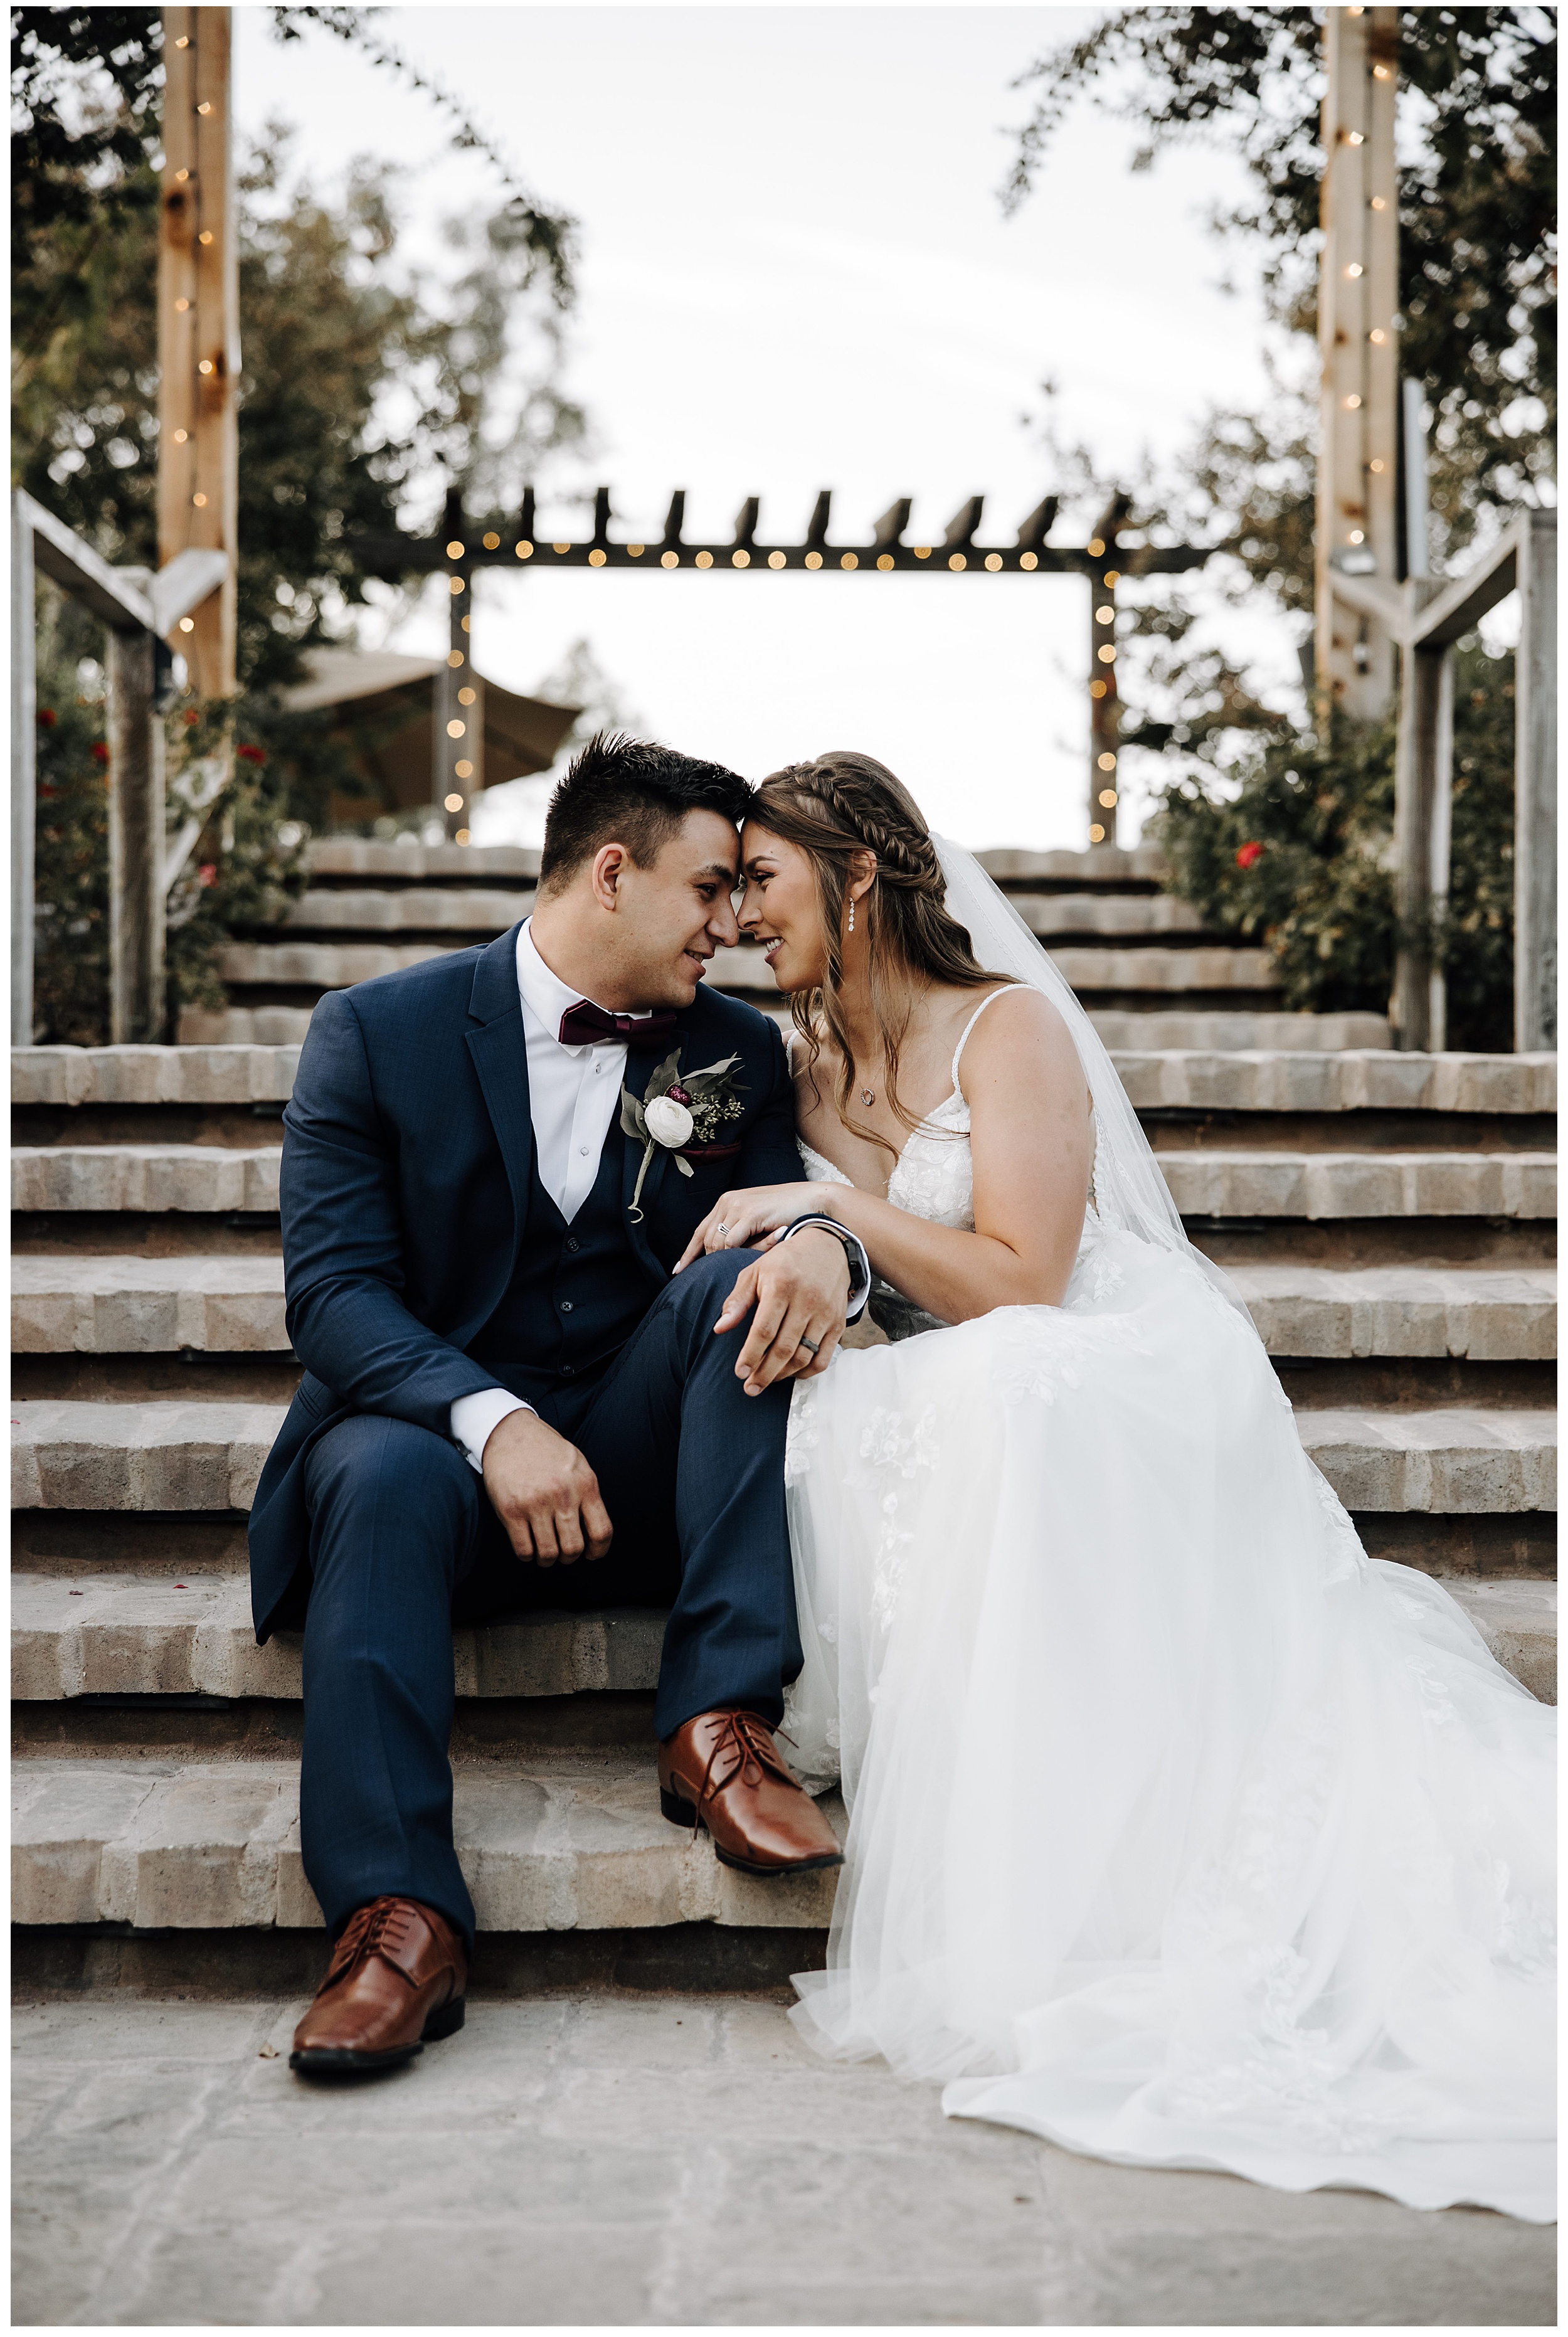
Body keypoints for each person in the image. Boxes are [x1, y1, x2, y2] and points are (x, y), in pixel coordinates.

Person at [674, 751, 1555, 2221]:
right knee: (843, 1405)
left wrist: (836, 1204)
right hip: (939, 1350)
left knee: (1017, 1391)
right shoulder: (794, 1065)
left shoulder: (1005, 1029)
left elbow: (1027, 1277)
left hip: (1094, 1347)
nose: (745, 913)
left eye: (763, 877)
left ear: (861, 870)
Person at [250, 735, 871, 2078]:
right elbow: (337, 1299)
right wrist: (491, 1422)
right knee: (371, 1468)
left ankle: (716, 1721)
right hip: (440, 1469)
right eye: (710, 890)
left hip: (651, 1465)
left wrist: (822, 1243)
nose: (736, 926)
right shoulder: (375, 1030)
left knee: (744, 1291)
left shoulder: (736, 1055)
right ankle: (396, 1919)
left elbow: (777, 1226)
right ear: (610, 873)